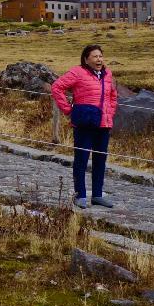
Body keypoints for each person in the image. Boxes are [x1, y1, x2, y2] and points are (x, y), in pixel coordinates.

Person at [50, 43, 118, 208]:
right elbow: (57, 87)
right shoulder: (77, 72)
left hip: (103, 124)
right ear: (86, 59)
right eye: (95, 56)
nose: (99, 59)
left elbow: (113, 95)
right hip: (84, 123)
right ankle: (80, 195)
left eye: (100, 56)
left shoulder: (108, 74)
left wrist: (111, 112)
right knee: (81, 159)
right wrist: (68, 110)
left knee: (100, 160)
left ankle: (97, 195)